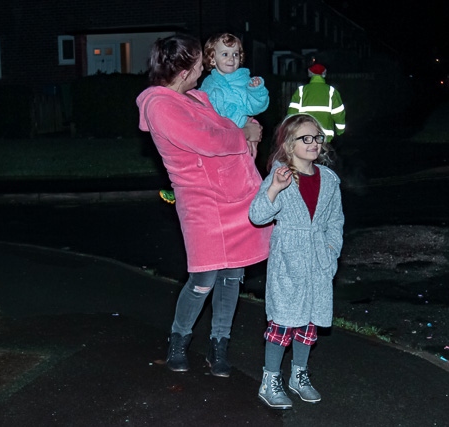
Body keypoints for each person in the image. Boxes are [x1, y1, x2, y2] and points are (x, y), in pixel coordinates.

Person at [136, 33, 272, 377]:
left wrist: (249, 125)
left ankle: (218, 346)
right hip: (202, 204)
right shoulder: (159, 104)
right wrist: (242, 136)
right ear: (183, 70)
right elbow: (208, 140)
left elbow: (230, 119)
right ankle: (178, 343)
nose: (203, 68)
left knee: (231, 276)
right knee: (203, 279)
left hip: (235, 197)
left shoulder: (198, 98)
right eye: (198, 63)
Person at [248, 113, 345, 409]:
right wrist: (275, 189)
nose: (314, 143)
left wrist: (331, 251)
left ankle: (299, 375)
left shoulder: (328, 180)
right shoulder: (280, 175)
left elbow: (335, 221)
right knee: (282, 324)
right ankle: (270, 379)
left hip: (318, 260)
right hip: (289, 261)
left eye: (317, 138)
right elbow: (257, 215)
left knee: (310, 323)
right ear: (289, 145)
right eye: (306, 138)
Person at [159, 32, 269, 205]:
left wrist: (256, 91)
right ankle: (180, 190)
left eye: (236, 54)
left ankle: (248, 199)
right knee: (204, 164)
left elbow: (255, 107)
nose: (231, 59)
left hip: (235, 132)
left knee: (239, 171)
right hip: (220, 133)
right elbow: (201, 111)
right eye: (225, 54)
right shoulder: (209, 83)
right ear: (212, 59)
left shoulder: (244, 80)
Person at [287, 63, 346, 144]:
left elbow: (292, 114)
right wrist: (340, 132)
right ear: (324, 74)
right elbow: (339, 114)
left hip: (305, 136)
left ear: (310, 74)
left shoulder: (301, 91)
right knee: (323, 156)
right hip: (325, 137)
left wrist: (291, 132)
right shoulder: (331, 91)